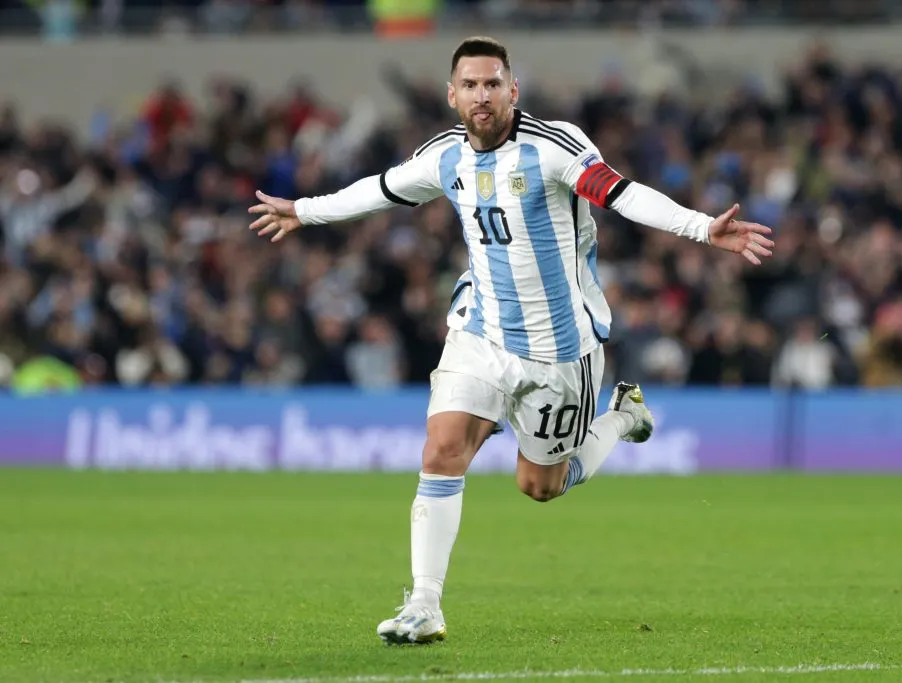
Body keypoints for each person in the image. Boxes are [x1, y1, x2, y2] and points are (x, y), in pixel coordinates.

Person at [247, 36, 774, 645]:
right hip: (482, 330)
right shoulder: (444, 156)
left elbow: (622, 194)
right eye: (469, 85)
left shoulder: (555, 148)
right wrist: (305, 211)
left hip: (560, 347)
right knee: (442, 448)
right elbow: (380, 188)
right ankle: (424, 603)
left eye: (492, 83)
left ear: (512, 90)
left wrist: (702, 229)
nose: (482, 95)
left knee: (540, 486)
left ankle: (623, 418)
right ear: (452, 95)